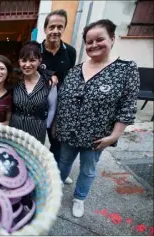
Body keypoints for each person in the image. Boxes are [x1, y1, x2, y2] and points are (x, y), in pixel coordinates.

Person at [55, 19, 140, 218]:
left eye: (99, 40)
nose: (93, 45)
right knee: (64, 161)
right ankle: (57, 188)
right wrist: (58, 126)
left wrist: (114, 136)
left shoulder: (125, 70)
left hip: (96, 136)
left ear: (112, 39)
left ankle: (79, 198)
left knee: (88, 169)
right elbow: (64, 99)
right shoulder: (76, 70)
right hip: (68, 131)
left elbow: (127, 107)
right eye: (89, 41)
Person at [41, 9, 77, 184]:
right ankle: (38, 172)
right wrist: (49, 75)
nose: (55, 30)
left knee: (57, 142)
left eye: (59, 27)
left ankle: (55, 174)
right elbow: (27, 70)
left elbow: (70, 79)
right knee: (37, 141)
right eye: (52, 26)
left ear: (64, 29)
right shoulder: (35, 50)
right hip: (38, 104)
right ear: (45, 28)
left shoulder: (70, 51)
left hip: (60, 106)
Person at [9, 41, 57, 144]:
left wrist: (45, 126)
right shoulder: (14, 80)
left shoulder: (48, 82)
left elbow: (52, 108)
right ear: (19, 62)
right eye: (24, 60)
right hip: (16, 129)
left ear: (39, 61)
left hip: (37, 130)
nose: (27, 65)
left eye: (32, 60)